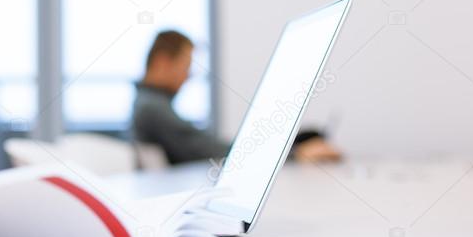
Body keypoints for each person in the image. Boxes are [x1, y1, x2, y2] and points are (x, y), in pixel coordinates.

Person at [131, 30, 342, 166]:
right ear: (162, 62)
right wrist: (295, 156)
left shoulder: (149, 104)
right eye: (186, 67)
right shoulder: (151, 108)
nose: (188, 76)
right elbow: (212, 150)